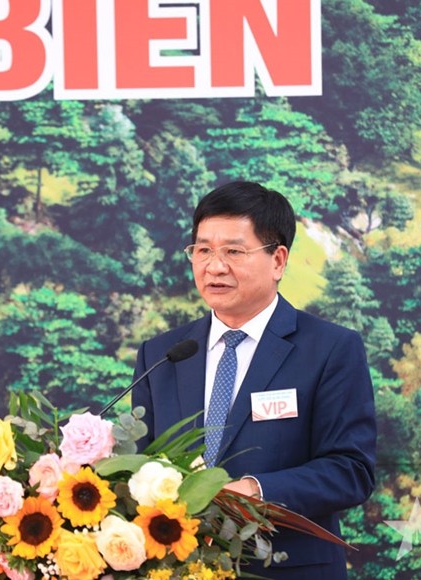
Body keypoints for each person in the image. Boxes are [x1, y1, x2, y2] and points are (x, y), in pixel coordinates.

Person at [131, 180, 377, 579]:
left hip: (286, 569)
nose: (214, 266)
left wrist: (254, 491)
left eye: (233, 251)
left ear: (278, 260)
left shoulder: (331, 349)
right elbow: (140, 467)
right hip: (178, 567)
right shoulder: (162, 354)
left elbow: (351, 470)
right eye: (203, 250)